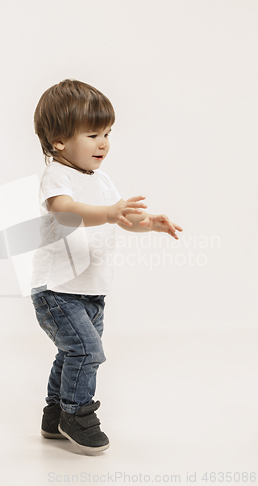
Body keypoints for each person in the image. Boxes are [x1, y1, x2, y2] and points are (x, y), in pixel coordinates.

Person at [30, 79, 182, 454]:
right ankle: (77, 414)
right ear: (59, 141)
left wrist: (147, 224)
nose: (104, 143)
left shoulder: (102, 180)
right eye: (93, 134)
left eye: (108, 133)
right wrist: (109, 213)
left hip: (91, 289)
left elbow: (120, 218)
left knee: (72, 352)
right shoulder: (58, 177)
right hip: (56, 290)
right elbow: (64, 210)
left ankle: (54, 412)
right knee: (88, 352)